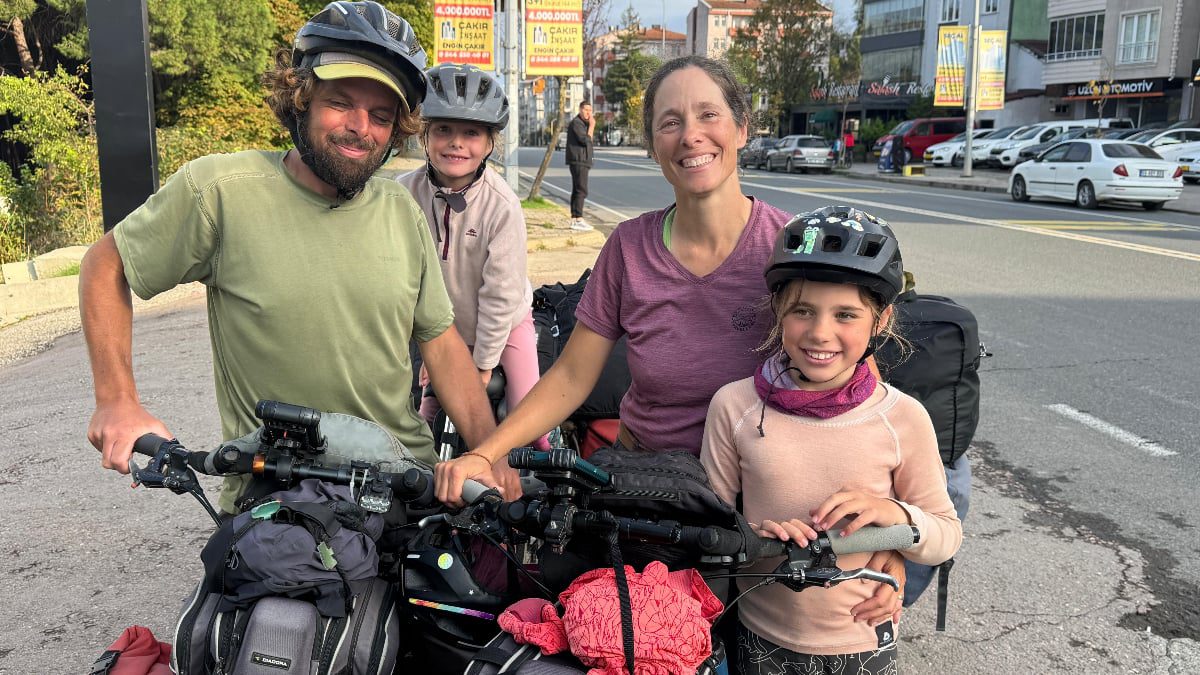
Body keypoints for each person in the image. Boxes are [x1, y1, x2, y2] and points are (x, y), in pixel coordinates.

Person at [78, 1, 497, 514]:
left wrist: (488, 455)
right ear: (299, 100)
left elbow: (441, 342)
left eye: (382, 116)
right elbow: (106, 265)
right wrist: (117, 399)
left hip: (400, 483)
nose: (360, 128)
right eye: (341, 103)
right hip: (276, 486)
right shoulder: (222, 191)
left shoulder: (400, 211)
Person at [700, 206, 963, 674]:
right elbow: (708, 530)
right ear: (779, 310)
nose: (820, 333)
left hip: (863, 640)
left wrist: (896, 515)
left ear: (880, 321)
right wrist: (754, 536)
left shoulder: (901, 418)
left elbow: (945, 535)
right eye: (803, 310)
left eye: (846, 314)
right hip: (759, 633)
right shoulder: (734, 407)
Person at [397, 63, 549, 452]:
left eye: (471, 133)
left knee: (528, 420)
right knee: (420, 415)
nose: (456, 143)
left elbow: (501, 295)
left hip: (504, 323)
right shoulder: (402, 195)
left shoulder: (502, 206)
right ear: (425, 135)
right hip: (440, 328)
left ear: (490, 143)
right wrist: (431, 347)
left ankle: (544, 477)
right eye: (443, 130)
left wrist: (482, 365)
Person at [565, 100, 595, 231]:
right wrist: (592, 126)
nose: (588, 113)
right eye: (586, 110)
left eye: (590, 110)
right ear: (580, 109)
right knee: (581, 190)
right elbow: (585, 140)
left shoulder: (582, 124)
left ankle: (575, 218)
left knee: (577, 189)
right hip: (578, 160)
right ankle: (578, 219)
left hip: (581, 160)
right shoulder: (577, 123)